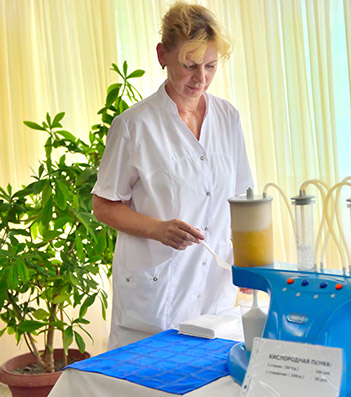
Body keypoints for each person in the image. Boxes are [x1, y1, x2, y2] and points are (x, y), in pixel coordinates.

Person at [92, 1, 254, 350]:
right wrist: (159, 229)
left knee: (209, 372)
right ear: (162, 55)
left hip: (214, 288)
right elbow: (103, 205)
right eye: (189, 65)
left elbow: (243, 198)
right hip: (155, 295)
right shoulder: (133, 126)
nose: (201, 78)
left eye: (210, 66)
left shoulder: (228, 118)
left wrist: (247, 262)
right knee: (145, 375)